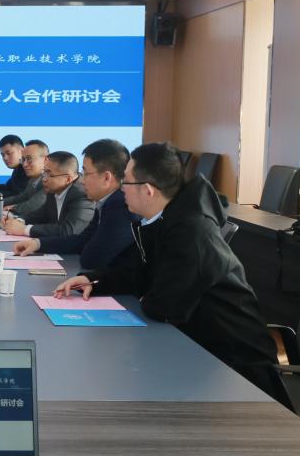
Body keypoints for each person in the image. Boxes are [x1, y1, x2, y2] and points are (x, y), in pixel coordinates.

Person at [53, 143, 287, 404]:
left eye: (126, 182)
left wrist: (145, 292)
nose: (121, 189)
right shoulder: (161, 219)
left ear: (148, 190)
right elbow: (138, 273)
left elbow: (163, 306)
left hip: (234, 367)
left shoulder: (191, 232)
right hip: (197, 347)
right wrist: (95, 281)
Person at [13, 139, 137, 270]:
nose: (82, 180)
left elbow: (91, 259)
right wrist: (38, 244)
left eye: (86, 173)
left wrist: (86, 245)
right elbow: (82, 240)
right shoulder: (106, 202)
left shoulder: (120, 206)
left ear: (106, 178)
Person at [3, 151, 95, 238]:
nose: (44, 179)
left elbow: (69, 230)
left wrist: (25, 229)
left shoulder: (82, 194)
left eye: (49, 174)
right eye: (44, 172)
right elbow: (40, 215)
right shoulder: (53, 190)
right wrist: (17, 221)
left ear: (68, 179)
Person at [0, 140, 49, 217]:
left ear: (45, 160)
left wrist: (12, 208)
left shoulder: (50, 180)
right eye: (23, 159)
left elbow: (32, 206)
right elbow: (21, 197)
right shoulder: (33, 179)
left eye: (29, 159)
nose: (25, 164)